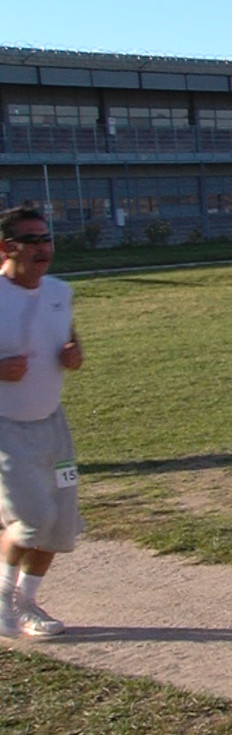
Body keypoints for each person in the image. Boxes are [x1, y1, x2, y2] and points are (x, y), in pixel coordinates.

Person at [0, 206, 83, 639]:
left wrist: (74, 353)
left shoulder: (59, 291)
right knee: (31, 520)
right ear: (6, 247)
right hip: (6, 429)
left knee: (61, 523)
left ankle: (27, 602)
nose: (42, 247)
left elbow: (69, 337)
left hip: (53, 427)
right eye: (31, 240)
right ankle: (2, 597)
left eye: (46, 238)